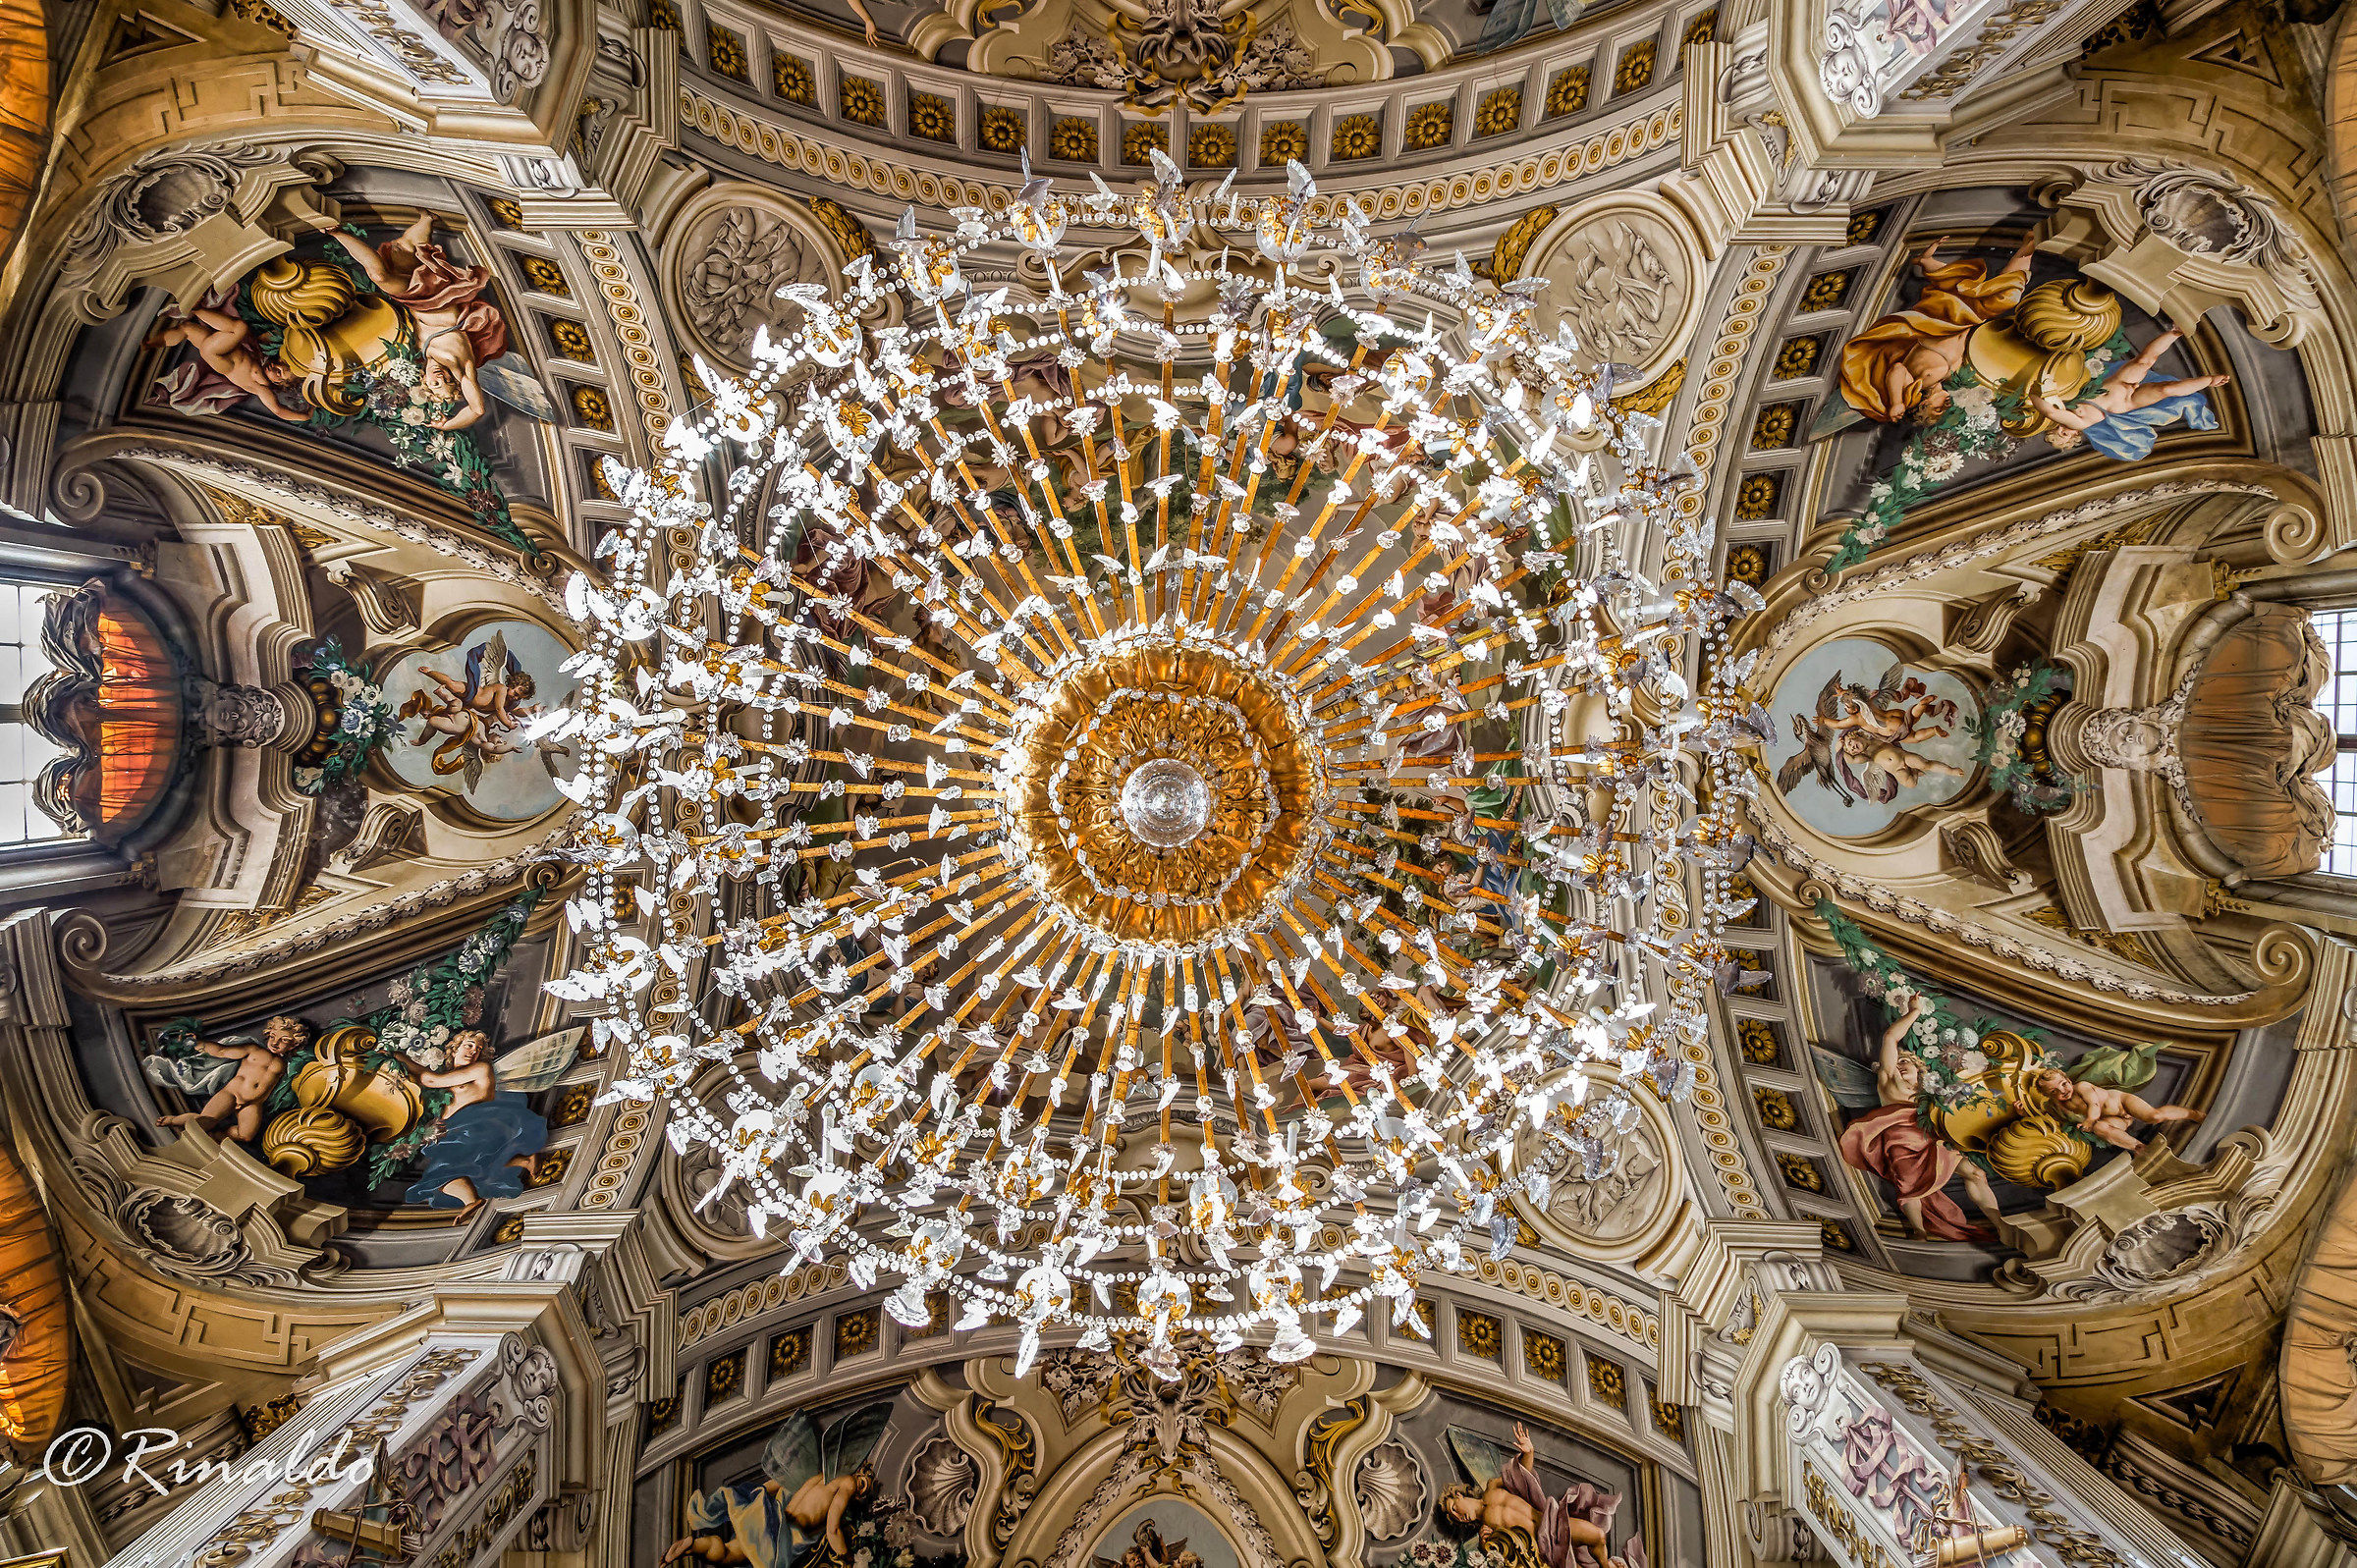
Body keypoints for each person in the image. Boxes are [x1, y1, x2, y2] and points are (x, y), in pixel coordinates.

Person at [1836, 996, 2004, 1241]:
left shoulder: (1933, 1094)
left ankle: (2000, 1224)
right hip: (1901, 1138)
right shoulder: (1889, 1082)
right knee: (1910, 1186)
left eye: (1906, 1062)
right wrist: (1914, 1011)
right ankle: (1919, 1231)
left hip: (1933, 1137)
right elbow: (1890, 1038)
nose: (1900, 1065)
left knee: (1976, 1173)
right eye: (1897, 1062)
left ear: (1919, 1068)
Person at [327, 213, 510, 432]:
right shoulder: (461, 365)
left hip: (420, 300)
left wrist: (442, 423)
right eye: (448, 382)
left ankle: (425, 219)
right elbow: (477, 410)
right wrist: (448, 426)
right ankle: (338, 232)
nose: (441, 378)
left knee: (401, 253)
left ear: (424, 381)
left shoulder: (420, 354)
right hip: (434, 300)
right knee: (384, 273)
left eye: (436, 384)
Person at [1836, 234, 2039, 426]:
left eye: (1937, 410)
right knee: (2004, 295)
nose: (1944, 407)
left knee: (1997, 294)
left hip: (1945, 320)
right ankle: (2028, 247)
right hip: (1967, 322)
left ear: (1923, 404)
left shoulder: (1917, 382)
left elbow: (1897, 370)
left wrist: (1897, 402)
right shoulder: (1945, 379)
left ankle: (2028, 245)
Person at [394, 1030, 547, 1216]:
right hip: (459, 1132)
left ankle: (471, 1200)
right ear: (454, 1049)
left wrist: (400, 1058)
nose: (474, 1051)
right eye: (469, 1045)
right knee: (474, 1166)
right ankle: (524, 1161)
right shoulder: (448, 1081)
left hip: (476, 1125)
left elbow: (431, 1079)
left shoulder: (481, 1069)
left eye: (478, 1049)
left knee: (440, 1172)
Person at [1436, 1422, 1618, 1568]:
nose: (1458, 1516)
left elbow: (1520, 1476)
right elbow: (1498, 1556)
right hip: (1543, 1547)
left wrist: (1528, 1452)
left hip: (1551, 1523)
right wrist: (1485, 1545)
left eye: (1454, 1509)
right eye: (1455, 1518)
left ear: (1459, 1495)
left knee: (1598, 1536)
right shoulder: (1485, 1529)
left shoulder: (1492, 1487)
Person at [2029, 328, 2229, 461]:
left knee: (2144, 361)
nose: (2063, 429)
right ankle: (2209, 381)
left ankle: (2175, 332)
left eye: (2057, 431)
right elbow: (2051, 413)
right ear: (2074, 437)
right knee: (2165, 390)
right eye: (2064, 435)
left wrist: (2031, 391)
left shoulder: (2066, 406)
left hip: (2115, 384)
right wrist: (2031, 393)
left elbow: (2052, 411)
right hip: (2125, 403)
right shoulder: (2079, 423)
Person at [154, 1015, 313, 1141]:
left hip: (253, 1103)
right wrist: (198, 1043)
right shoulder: (254, 1050)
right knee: (207, 1120)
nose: (275, 1042)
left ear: (294, 1044)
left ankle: (217, 1136)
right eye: (273, 1036)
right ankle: (174, 1121)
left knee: (245, 1135)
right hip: (232, 1093)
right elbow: (222, 1051)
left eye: (284, 1040)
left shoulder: (287, 1065)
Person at [144, 303, 311, 421]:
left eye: (279, 372)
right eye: (279, 364)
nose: (274, 366)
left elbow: (278, 410)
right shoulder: (260, 359)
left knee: (240, 328)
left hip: (218, 356)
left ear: (279, 383)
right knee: (186, 328)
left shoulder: (261, 388)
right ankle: (149, 344)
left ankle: (194, 308)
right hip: (218, 348)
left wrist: (305, 416)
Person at [2033, 1068, 2205, 1153]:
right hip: (2115, 1119)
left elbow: (2094, 1105)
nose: (2062, 1091)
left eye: (2063, 1084)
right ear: (2049, 1095)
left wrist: (2090, 1120)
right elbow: (2050, 1118)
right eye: (2054, 1091)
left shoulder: (2082, 1087)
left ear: (2068, 1080)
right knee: (2100, 1128)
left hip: (2123, 1103)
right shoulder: (2059, 1105)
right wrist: (2023, 1112)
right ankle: (2140, 1149)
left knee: (2154, 1116)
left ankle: (2192, 1114)